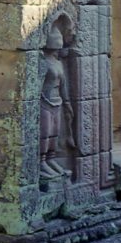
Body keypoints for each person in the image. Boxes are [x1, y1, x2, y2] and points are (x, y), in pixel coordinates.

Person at [40, 19, 74, 177]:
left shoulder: (58, 63)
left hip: (57, 102)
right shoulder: (43, 63)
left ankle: (51, 159)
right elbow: (37, 86)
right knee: (45, 134)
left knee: (55, 134)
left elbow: (63, 86)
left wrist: (67, 103)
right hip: (45, 103)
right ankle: (42, 162)